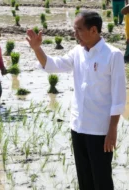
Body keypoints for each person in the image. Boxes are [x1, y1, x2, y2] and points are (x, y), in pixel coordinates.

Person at [26, 10, 126, 190]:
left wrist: (112, 130)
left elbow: (119, 97)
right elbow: (52, 65)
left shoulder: (113, 55)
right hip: (78, 127)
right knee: (84, 178)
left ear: (93, 30)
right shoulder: (77, 52)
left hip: (100, 131)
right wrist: (36, 49)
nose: (75, 34)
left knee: (101, 179)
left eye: (78, 29)